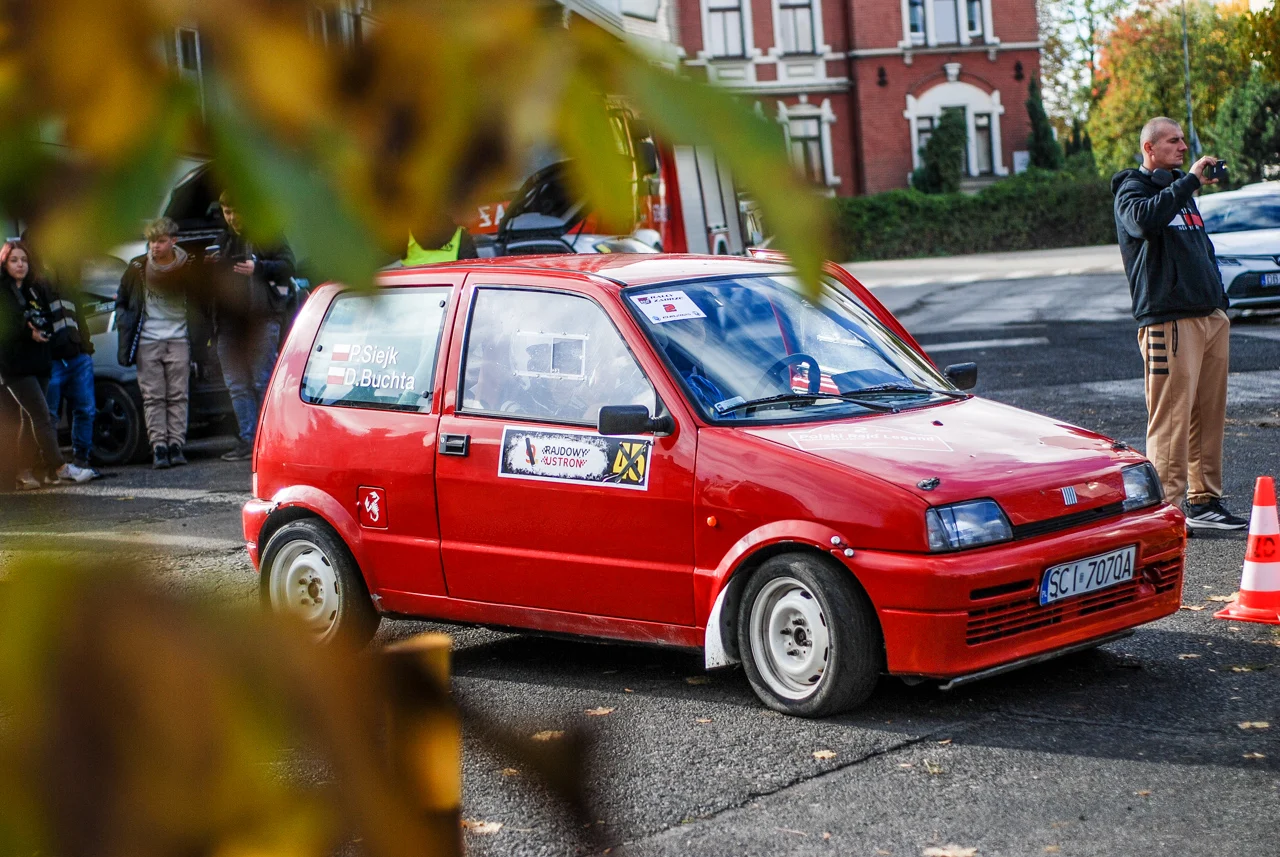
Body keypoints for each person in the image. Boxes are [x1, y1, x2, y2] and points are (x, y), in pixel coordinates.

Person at [1112, 116, 1244, 530]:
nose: (1183, 147)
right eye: (1173, 141)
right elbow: (1144, 221)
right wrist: (1186, 182)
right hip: (1168, 322)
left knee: (1208, 414)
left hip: (1208, 317)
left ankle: (1204, 503)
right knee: (1170, 417)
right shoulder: (1130, 189)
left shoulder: (1182, 196)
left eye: (1184, 141)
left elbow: (1199, 249)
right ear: (1150, 148)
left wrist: (1218, 303)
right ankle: (1164, 511)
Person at [0, 240, 95, 486]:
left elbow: (47, 318)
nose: (20, 265)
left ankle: (23, 471)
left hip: (40, 362)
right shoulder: (2, 291)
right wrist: (26, 329)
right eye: (14, 260)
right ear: (4, 263)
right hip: (15, 367)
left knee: (29, 418)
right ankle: (61, 467)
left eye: (24, 260)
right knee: (42, 415)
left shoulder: (34, 289)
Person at [211, 192, 296, 462]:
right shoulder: (223, 241)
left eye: (236, 211)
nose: (232, 218)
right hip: (228, 324)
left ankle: (268, 440)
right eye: (227, 212)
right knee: (237, 386)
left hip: (261, 319)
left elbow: (288, 265)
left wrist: (258, 268)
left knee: (263, 382)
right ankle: (247, 441)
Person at [117, 217, 196, 469]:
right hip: (148, 340)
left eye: (161, 241)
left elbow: (201, 303)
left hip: (179, 338)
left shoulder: (187, 267)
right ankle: (159, 448)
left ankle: (176, 444)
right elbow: (122, 300)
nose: (155, 246)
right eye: (151, 241)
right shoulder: (138, 267)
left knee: (178, 395)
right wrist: (125, 321)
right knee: (153, 397)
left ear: (173, 241)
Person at [39, 274, 101, 477]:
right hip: (53, 361)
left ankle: (81, 459)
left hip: (77, 356)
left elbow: (80, 317)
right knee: (49, 416)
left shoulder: (67, 281)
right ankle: (51, 465)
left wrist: (86, 349)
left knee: (85, 409)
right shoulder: (36, 285)